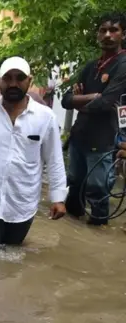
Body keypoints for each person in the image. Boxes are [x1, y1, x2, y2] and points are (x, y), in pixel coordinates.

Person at [0, 57, 67, 248]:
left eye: (19, 78)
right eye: (7, 78)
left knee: (12, 254)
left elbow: (54, 159)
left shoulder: (45, 117)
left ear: (29, 81)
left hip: (23, 203)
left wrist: (58, 198)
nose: (13, 84)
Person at [62, 12, 126, 225]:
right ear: (98, 34)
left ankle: (98, 231)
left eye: (113, 30)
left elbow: (106, 102)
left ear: (123, 34)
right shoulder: (91, 67)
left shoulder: (123, 64)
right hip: (79, 136)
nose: (107, 35)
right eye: (103, 30)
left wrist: (80, 101)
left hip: (104, 139)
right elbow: (66, 100)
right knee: (73, 187)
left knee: (98, 190)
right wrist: (92, 97)